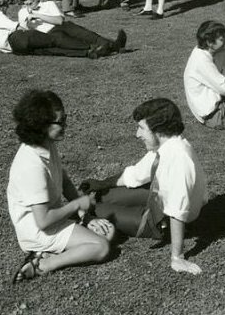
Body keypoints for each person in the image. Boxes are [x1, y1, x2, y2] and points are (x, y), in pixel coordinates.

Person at [80, 98, 208, 275]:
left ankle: (74, 221)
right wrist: (102, 184)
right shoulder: (165, 147)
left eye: (141, 128)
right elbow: (136, 174)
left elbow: (178, 212)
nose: (137, 134)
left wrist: (177, 257)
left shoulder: (179, 158)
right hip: (157, 197)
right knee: (99, 196)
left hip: (162, 220)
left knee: (97, 209)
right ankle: (81, 211)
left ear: (158, 130)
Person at [7, 89, 111, 282]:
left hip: (53, 215)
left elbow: (62, 178)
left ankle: (47, 253)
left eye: (65, 118)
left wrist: (84, 216)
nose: (65, 125)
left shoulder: (46, 144)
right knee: (101, 246)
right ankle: (43, 264)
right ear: (41, 126)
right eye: (60, 122)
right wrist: (77, 205)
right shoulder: (31, 166)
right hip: (38, 230)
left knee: (108, 232)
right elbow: (43, 221)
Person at [16, 0, 126, 58]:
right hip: (48, 35)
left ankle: (108, 45)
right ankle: (109, 47)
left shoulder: (48, 4)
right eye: (25, 0)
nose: (28, 2)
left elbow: (59, 21)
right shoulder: (22, 12)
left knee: (81, 33)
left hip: (61, 26)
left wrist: (37, 15)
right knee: (68, 41)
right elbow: (24, 30)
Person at [0, 0, 92, 58]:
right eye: (5, 5)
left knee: (49, 50)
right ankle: (88, 46)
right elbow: (19, 27)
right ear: (0, 6)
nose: (7, 7)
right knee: (54, 39)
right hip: (18, 38)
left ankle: (85, 53)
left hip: (17, 48)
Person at [183, 20, 225, 129]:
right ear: (210, 42)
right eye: (222, 39)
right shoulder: (201, 61)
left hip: (217, 102)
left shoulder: (205, 50)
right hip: (216, 115)